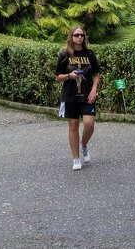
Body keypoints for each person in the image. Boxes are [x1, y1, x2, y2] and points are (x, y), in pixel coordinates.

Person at [55, 26, 99, 170]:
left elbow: (96, 75)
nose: (80, 37)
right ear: (71, 37)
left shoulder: (90, 54)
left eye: (82, 35)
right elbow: (57, 77)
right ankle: (76, 158)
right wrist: (69, 76)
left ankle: (84, 145)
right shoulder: (64, 54)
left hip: (87, 95)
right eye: (77, 35)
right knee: (73, 126)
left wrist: (94, 90)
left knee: (89, 124)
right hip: (70, 95)